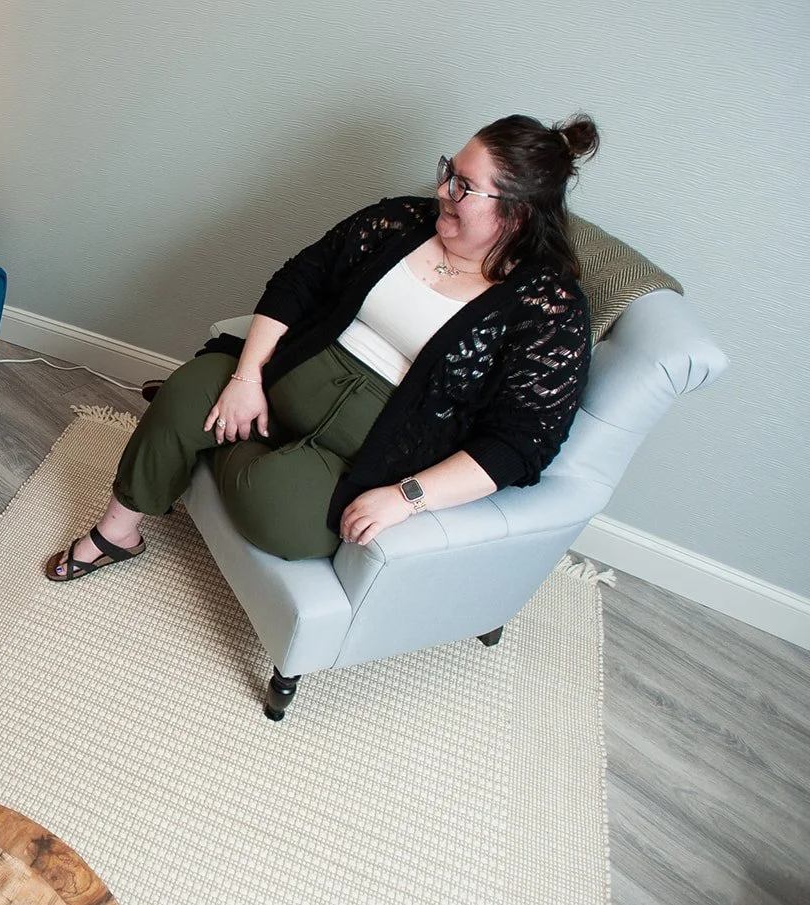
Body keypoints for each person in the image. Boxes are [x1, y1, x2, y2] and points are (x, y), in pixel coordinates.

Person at [47, 113, 598, 579]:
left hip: (372, 447)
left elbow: (522, 442)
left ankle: (193, 446)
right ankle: (118, 532)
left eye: (463, 187)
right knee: (190, 392)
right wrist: (246, 378)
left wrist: (407, 496)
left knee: (283, 519)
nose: (441, 191)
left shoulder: (549, 309)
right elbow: (299, 280)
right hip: (285, 374)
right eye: (447, 172)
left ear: (517, 213)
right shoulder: (399, 221)